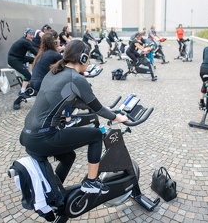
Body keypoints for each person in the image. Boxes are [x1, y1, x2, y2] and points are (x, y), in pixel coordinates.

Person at [19, 40, 129, 194]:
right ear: (83, 58)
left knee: (68, 157)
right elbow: (96, 108)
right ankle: (91, 182)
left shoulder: (54, 72)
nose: (89, 61)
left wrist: (105, 109)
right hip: (44, 137)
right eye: (88, 57)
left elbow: (74, 100)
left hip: (28, 134)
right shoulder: (76, 79)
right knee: (96, 135)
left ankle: (53, 190)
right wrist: (117, 117)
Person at [8, 28, 38, 110]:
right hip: (13, 59)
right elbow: (35, 52)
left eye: (33, 34)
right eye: (30, 34)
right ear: (26, 34)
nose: (32, 36)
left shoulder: (26, 41)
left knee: (32, 60)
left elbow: (35, 51)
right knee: (27, 76)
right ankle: (22, 91)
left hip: (19, 57)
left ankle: (30, 73)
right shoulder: (25, 42)